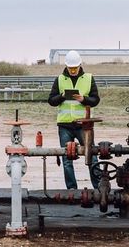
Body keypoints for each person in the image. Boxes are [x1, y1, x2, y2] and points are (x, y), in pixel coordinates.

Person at [47, 49, 100, 189]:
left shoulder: (88, 78)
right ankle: (72, 190)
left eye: (75, 68)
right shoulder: (59, 79)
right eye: (70, 68)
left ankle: (99, 188)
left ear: (79, 65)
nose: (72, 71)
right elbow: (51, 100)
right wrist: (62, 96)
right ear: (66, 66)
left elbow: (95, 100)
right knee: (66, 159)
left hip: (84, 125)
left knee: (92, 156)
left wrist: (84, 99)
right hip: (65, 125)